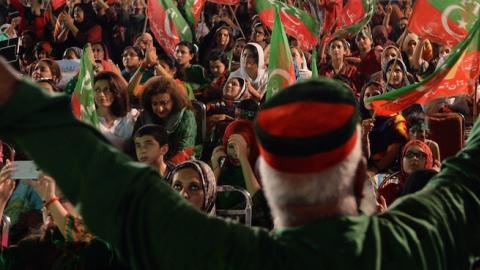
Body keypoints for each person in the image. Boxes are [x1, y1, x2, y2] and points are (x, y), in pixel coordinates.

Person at [1, 57, 480, 269]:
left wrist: (13, 96)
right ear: (359, 165)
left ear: (267, 175)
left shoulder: (226, 256)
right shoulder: (421, 239)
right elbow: (471, 170)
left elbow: (116, 187)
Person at [133, 76, 197, 163]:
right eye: (155, 104)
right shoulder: (144, 117)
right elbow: (133, 147)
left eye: (164, 103)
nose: (160, 109)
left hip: (178, 167)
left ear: (174, 101)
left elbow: (184, 152)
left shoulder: (186, 116)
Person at [94, 71, 139, 150]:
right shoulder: (87, 118)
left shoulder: (131, 116)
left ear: (117, 91)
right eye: (97, 90)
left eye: (107, 90)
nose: (101, 94)